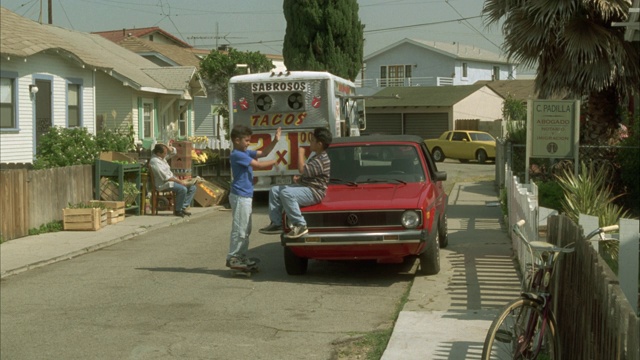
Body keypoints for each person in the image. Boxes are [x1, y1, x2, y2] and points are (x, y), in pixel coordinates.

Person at [259, 127, 332, 238]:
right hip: (307, 187)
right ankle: (277, 223)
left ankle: (300, 225)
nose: (310, 143)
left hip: (315, 192)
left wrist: (300, 153)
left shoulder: (322, 159)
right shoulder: (316, 156)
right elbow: (310, 174)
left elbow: (302, 169)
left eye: (312, 141)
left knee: (286, 193)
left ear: (319, 144)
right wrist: (300, 179)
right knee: (275, 190)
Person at [227, 125, 282, 269]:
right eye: (246, 140)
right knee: (240, 229)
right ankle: (234, 257)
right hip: (240, 196)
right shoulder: (237, 154)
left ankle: (241, 256)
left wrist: (275, 141)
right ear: (237, 140)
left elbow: (263, 153)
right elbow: (259, 164)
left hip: (245, 195)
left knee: (246, 229)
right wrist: (275, 161)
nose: (248, 143)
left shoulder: (244, 152)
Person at [149, 143, 197, 217]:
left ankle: (182, 207)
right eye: (164, 153)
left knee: (192, 187)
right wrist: (180, 181)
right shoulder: (155, 161)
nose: (166, 154)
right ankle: (178, 210)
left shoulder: (162, 158)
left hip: (171, 180)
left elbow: (173, 153)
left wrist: (167, 147)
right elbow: (166, 177)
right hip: (163, 183)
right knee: (182, 189)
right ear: (158, 153)